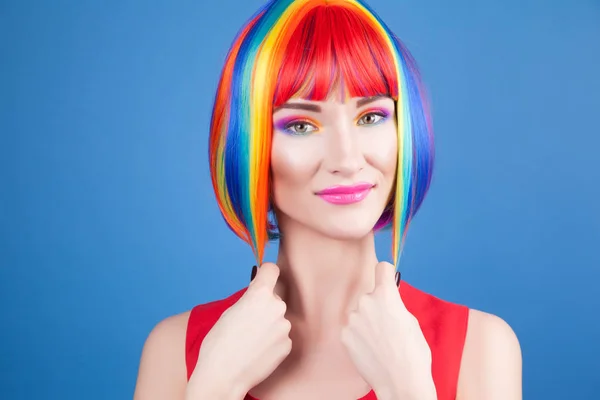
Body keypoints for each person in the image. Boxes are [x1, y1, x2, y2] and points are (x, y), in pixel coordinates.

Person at [133, 0, 522, 399]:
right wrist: (214, 386)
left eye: (370, 117)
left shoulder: (480, 346)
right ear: (249, 146)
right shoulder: (175, 350)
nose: (348, 159)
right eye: (301, 125)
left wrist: (408, 388)